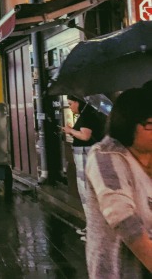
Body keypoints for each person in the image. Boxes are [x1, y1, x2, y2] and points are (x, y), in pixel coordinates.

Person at [85, 87, 152, 278]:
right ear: (129, 123)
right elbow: (124, 220)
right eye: (150, 124)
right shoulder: (106, 157)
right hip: (119, 270)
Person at [61, 94, 102, 241]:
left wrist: (70, 131)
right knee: (85, 192)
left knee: (86, 192)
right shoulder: (87, 114)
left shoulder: (87, 115)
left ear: (79, 102)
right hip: (84, 155)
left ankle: (93, 230)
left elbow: (85, 136)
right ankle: (90, 227)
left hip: (85, 155)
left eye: (71, 104)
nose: (70, 107)